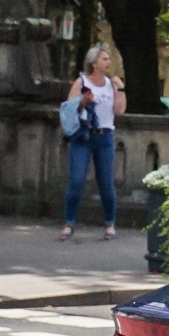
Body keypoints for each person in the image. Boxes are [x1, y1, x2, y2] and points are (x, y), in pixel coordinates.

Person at [61, 44, 125, 241]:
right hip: (83, 137)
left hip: (105, 136)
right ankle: (69, 223)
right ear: (94, 63)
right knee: (77, 179)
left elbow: (120, 110)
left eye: (108, 59)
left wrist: (120, 88)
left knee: (106, 182)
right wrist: (83, 102)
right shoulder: (81, 83)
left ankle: (109, 223)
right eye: (104, 59)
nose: (109, 62)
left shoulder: (110, 83)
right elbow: (68, 110)